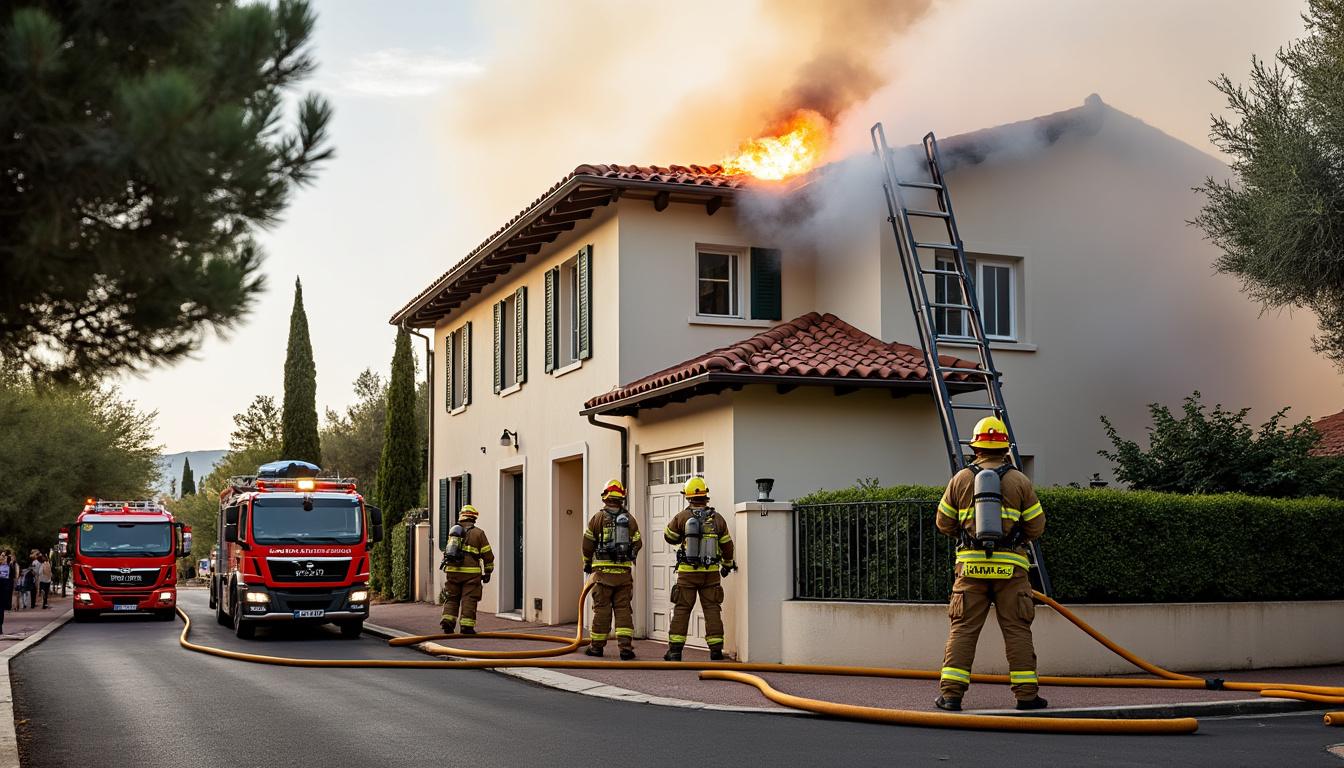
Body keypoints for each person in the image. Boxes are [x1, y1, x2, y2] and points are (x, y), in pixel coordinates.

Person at [934, 416, 1048, 712]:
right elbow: (1037, 526)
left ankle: (951, 696)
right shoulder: (1020, 481)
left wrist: (966, 534)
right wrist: (1016, 539)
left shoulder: (961, 479)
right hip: (1011, 569)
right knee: (1017, 631)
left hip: (970, 568)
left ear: (976, 448)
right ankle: (1026, 696)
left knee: (963, 630)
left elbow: (943, 522)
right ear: (1005, 448)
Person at [662, 477, 735, 661]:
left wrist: (684, 535)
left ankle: (675, 651)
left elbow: (669, 537)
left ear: (688, 497)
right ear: (705, 496)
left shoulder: (682, 517)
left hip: (687, 573)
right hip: (711, 574)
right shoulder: (717, 519)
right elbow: (727, 546)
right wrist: (727, 565)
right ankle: (716, 651)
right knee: (712, 610)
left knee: (682, 609)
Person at [581, 479, 642, 660]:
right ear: (622, 498)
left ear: (605, 497)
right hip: (623, 574)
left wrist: (587, 562)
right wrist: (630, 556)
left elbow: (587, 545)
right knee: (623, 610)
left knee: (602, 610)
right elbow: (638, 543)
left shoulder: (597, 518)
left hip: (602, 574)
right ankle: (625, 649)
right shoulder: (629, 519)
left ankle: (596, 648)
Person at [439, 505, 495, 634]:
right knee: (469, 598)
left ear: (461, 517)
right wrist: (488, 572)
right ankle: (466, 626)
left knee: (451, 597)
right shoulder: (478, 533)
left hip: (452, 571)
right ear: (474, 518)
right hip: (471, 574)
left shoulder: (453, 532)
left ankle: (447, 621)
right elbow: (487, 555)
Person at [0, 552, 12, 633]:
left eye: (4, 556)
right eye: (2, 555)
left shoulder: (9, 567)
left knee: (1, 609)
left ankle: (0, 628)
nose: (3, 557)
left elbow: (11, 578)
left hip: (3, 589)